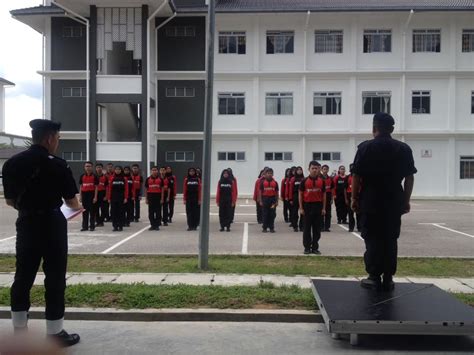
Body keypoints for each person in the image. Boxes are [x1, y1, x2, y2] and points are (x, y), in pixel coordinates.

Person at [2, 119, 81, 347]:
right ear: (49, 138)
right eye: (57, 138)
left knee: (23, 276)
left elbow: (9, 201)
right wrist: (76, 206)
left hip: (26, 222)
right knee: (55, 277)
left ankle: (19, 332)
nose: (57, 143)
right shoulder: (57, 164)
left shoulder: (12, 164)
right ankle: (55, 333)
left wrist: (29, 208)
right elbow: (72, 203)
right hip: (52, 224)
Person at [351, 112, 416, 291]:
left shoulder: (365, 148)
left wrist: (354, 198)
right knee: (390, 238)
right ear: (392, 129)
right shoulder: (404, 149)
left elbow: (356, 175)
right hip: (394, 200)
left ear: (374, 128)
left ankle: (373, 276)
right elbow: (409, 177)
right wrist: (406, 200)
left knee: (372, 238)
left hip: (370, 200)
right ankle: (388, 277)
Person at [299, 161, 326, 255]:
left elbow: (324, 195)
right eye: (312, 168)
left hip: (318, 206)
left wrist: (323, 208)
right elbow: (300, 194)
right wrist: (301, 208)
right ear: (309, 169)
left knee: (317, 229)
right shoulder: (304, 181)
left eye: (316, 168)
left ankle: (315, 247)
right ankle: (307, 247)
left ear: (319, 169)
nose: (314, 170)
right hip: (307, 206)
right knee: (306, 229)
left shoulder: (321, 181)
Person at [145, 166, 167, 231]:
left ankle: (157, 225)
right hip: (150, 197)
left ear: (157, 171)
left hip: (158, 197)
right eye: (153, 170)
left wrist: (162, 199)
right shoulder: (148, 179)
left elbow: (162, 189)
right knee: (151, 212)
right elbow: (146, 189)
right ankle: (152, 225)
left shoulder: (160, 179)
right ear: (151, 171)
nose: (154, 171)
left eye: (155, 170)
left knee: (158, 212)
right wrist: (146, 199)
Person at [78, 161, 98, 232]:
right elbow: (81, 186)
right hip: (84, 195)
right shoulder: (82, 176)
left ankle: (92, 226)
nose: (88, 168)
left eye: (89, 166)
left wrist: (95, 197)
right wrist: (80, 196)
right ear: (84, 167)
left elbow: (96, 187)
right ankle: (85, 227)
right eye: (86, 166)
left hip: (91, 195)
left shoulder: (95, 176)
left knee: (92, 212)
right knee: (84, 212)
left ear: (92, 167)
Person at [108, 165, 129, 232]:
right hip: (113, 198)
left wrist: (125, 198)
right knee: (114, 212)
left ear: (121, 170)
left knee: (121, 212)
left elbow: (126, 189)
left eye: (119, 169)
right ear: (114, 170)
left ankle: (120, 226)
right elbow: (110, 189)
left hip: (121, 198)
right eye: (116, 169)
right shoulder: (112, 178)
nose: (117, 171)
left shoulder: (124, 179)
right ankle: (115, 226)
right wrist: (109, 198)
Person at [259, 168, 279, 233]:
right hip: (265, 200)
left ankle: (271, 228)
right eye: (268, 173)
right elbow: (260, 192)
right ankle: (264, 228)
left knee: (272, 214)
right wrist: (260, 201)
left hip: (272, 200)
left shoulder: (275, 183)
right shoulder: (262, 182)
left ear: (272, 174)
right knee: (265, 214)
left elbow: (277, 192)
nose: (269, 174)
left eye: (271, 173)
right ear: (265, 174)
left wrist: (276, 201)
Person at [288, 166, 305, 232]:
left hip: (303, 197)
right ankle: (295, 226)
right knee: (294, 212)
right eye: (298, 170)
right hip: (295, 196)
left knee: (303, 212)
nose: (299, 171)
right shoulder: (293, 179)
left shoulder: (304, 179)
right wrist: (290, 199)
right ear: (296, 171)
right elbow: (290, 189)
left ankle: (302, 226)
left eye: (301, 170)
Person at [345, 164, 360, 233]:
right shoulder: (347, 177)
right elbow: (345, 189)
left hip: (358, 195)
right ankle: (351, 227)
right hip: (349, 195)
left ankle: (359, 227)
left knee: (358, 213)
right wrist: (346, 199)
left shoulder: (359, 177)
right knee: (350, 213)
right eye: (351, 168)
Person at [321, 165, 335, 232]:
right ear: (321, 170)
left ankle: (327, 227)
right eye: (324, 169)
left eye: (326, 169)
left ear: (328, 170)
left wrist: (332, 198)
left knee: (328, 213)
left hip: (328, 195)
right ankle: (321, 226)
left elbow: (332, 189)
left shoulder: (330, 179)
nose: (325, 170)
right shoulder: (319, 178)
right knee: (321, 212)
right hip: (321, 196)